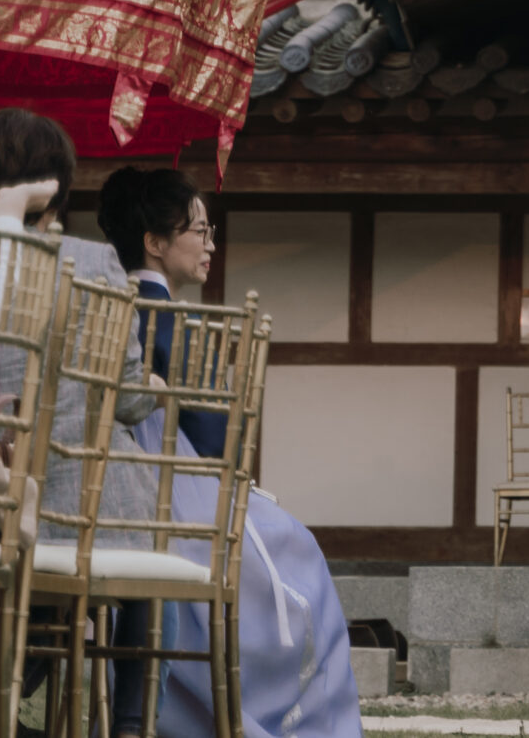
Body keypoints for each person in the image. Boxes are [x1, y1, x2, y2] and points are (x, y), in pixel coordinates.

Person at [96, 169, 361, 738]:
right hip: (178, 489)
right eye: (199, 230)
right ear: (155, 242)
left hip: (116, 489)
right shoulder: (167, 317)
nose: (210, 244)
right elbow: (217, 441)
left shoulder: (107, 308)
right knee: (299, 551)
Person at [0, 110, 164, 736]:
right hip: (78, 507)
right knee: (152, 555)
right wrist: (155, 387)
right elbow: (125, 396)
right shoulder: (94, 261)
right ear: (59, 187)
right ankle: (129, 721)